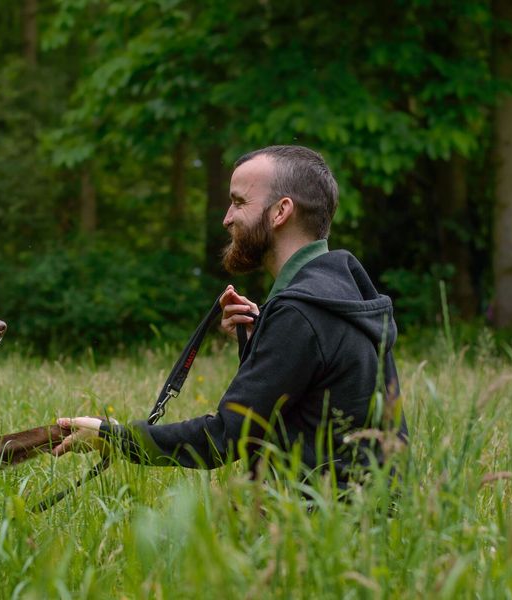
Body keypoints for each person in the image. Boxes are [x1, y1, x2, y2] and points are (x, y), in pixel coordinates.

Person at [53, 145, 408, 488]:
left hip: (319, 529)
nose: (227, 218)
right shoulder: (344, 297)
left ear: (280, 211)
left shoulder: (301, 314)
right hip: (366, 524)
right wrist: (262, 338)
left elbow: (225, 437)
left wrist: (114, 437)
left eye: (239, 202)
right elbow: (304, 422)